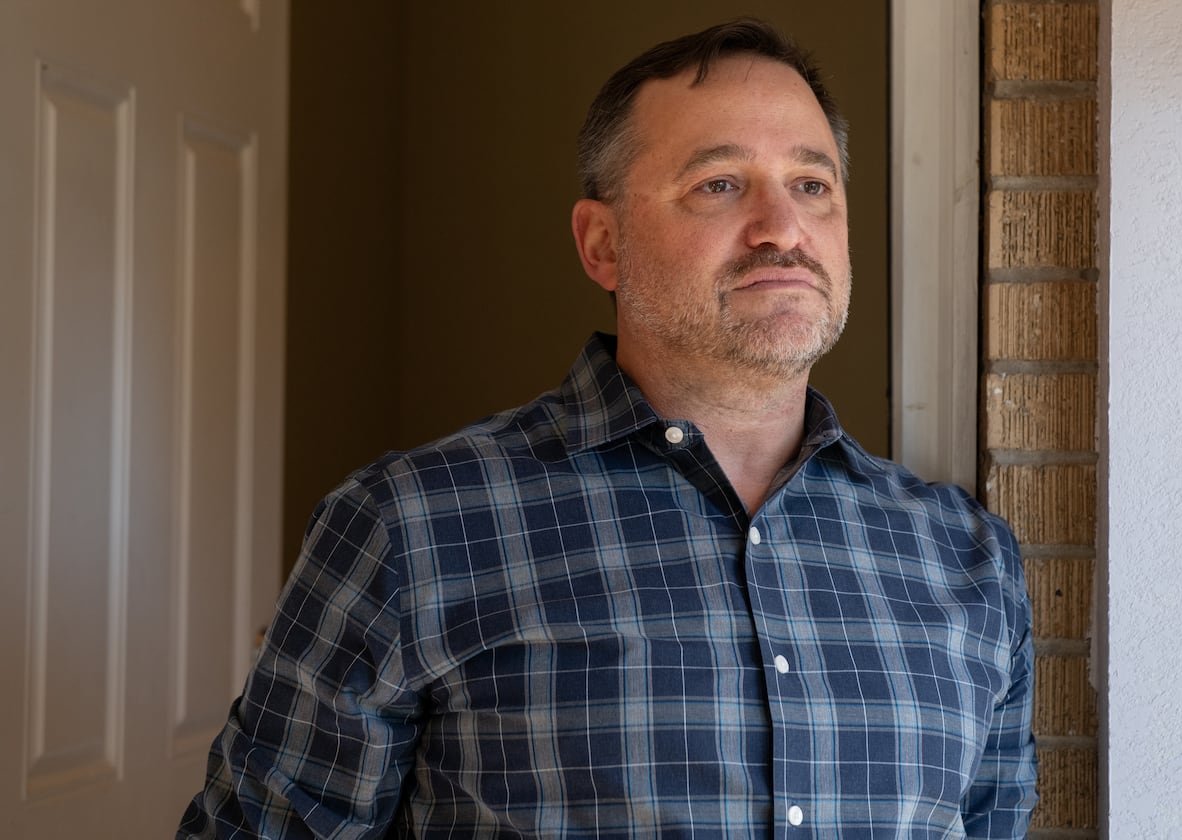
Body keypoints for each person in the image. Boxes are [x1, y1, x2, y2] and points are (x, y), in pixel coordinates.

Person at [178, 18, 1037, 838]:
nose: (784, 228)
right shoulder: (409, 529)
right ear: (603, 245)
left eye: (812, 184)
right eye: (720, 184)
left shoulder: (967, 561)